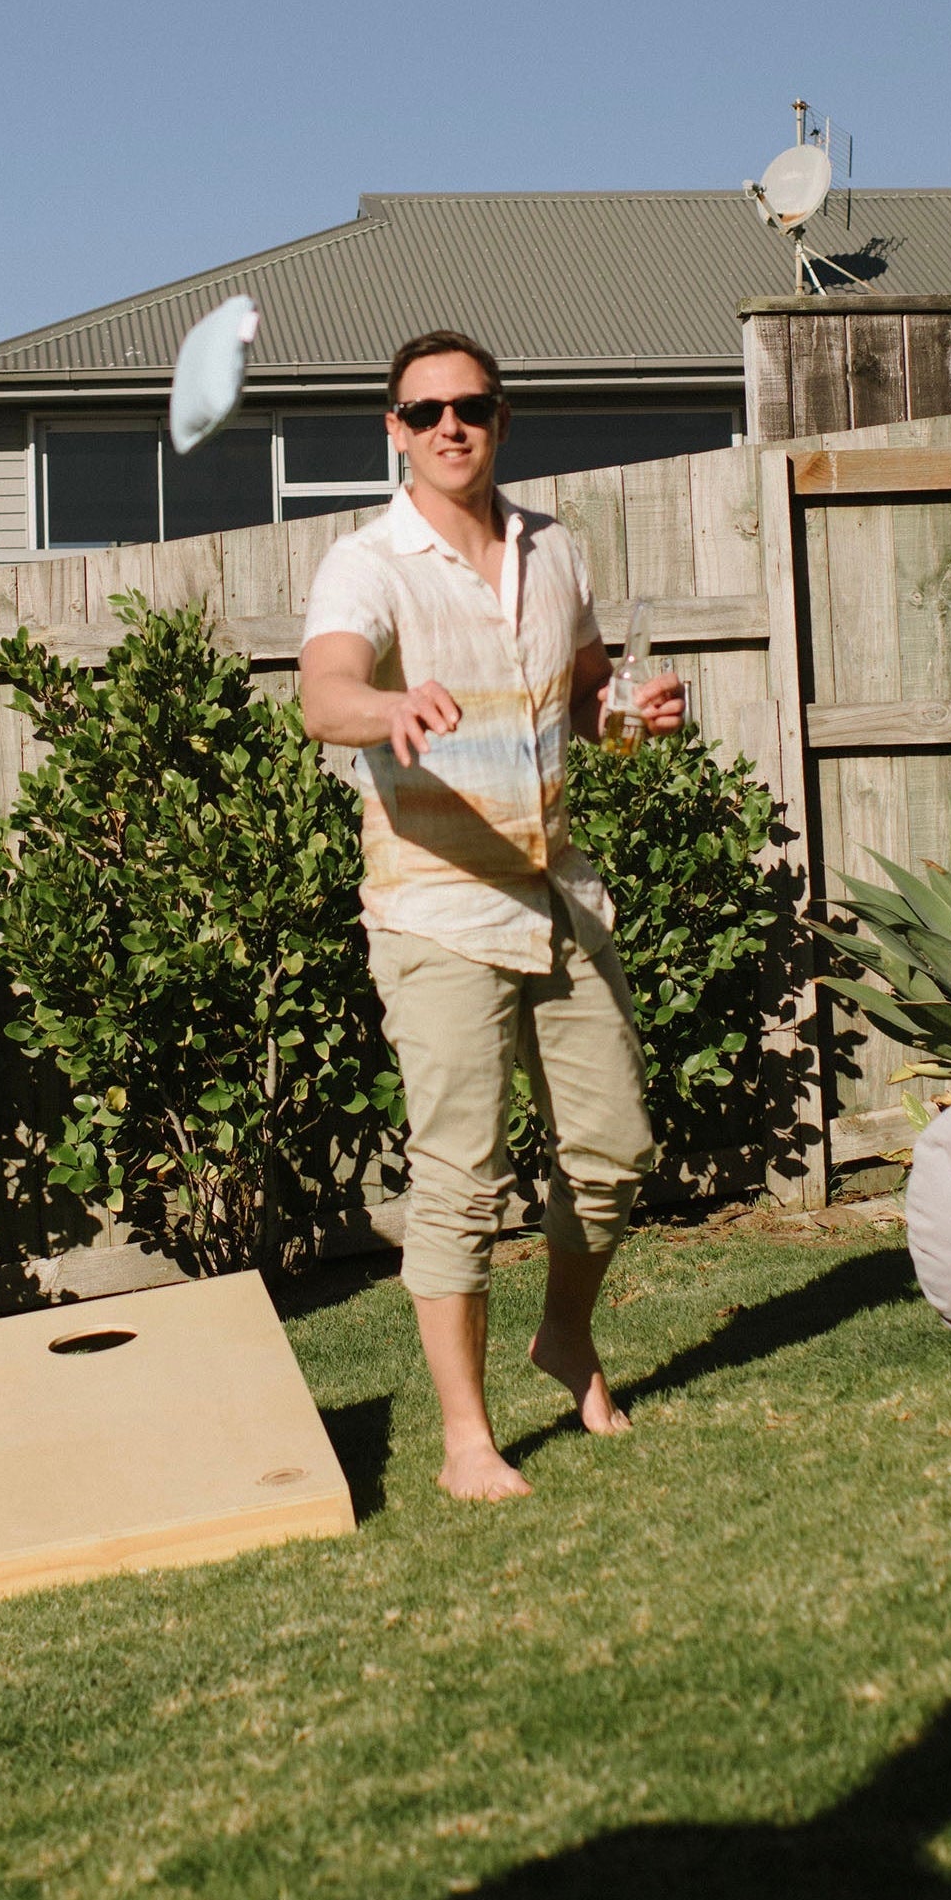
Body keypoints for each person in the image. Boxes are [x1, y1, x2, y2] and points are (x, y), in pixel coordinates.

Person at [297, 331, 685, 1500]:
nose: (449, 425)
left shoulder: (553, 547)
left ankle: (565, 1335)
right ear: (395, 432)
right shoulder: (369, 561)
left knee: (614, 1151)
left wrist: (628, 715)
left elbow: (577, 690)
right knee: (461, 1173)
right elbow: (323, 691)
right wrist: (387, 706)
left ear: (502, 419)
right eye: (425, 412)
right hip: (435, 903)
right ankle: (468, 1437)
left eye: (470, 406)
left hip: (558, 888)